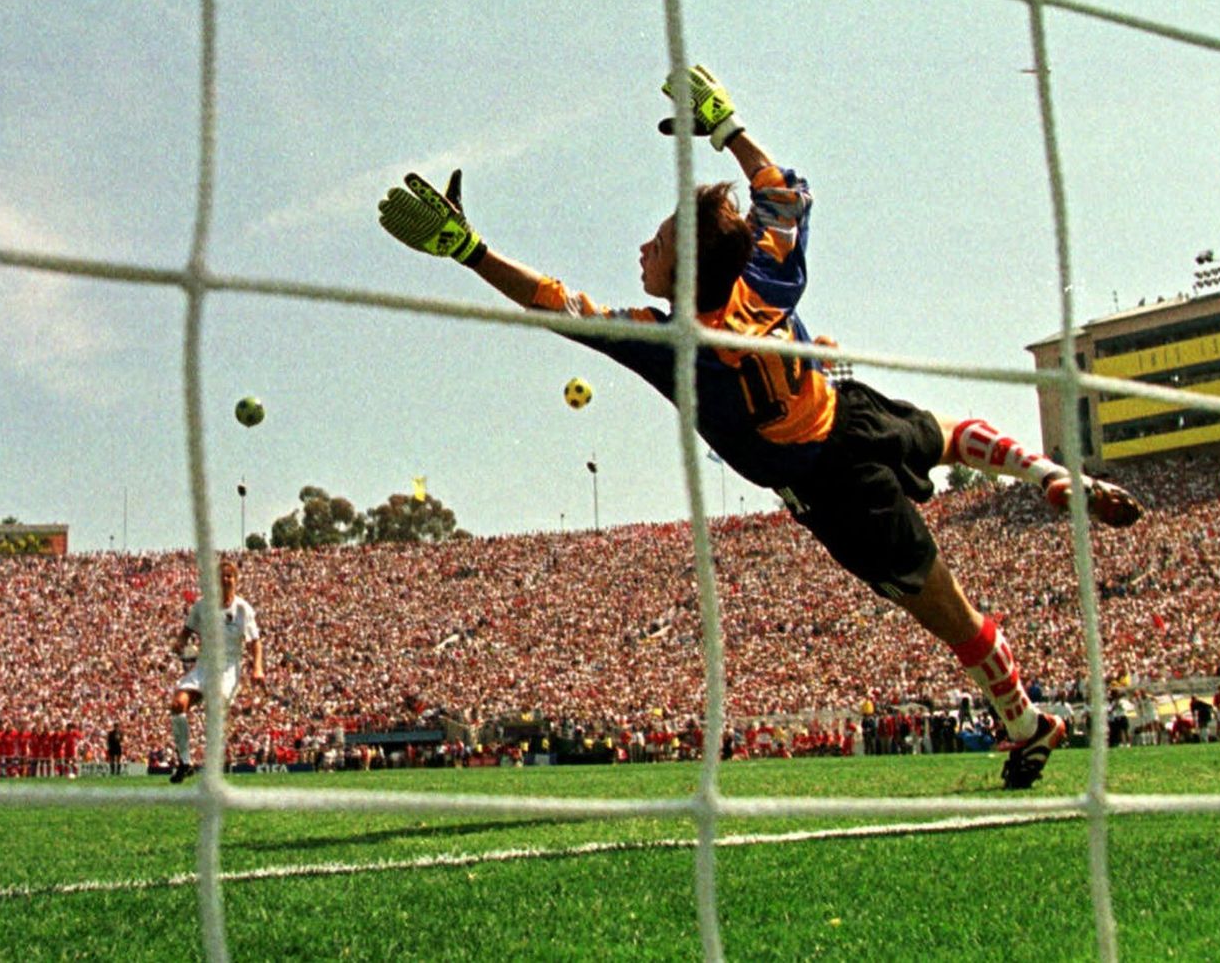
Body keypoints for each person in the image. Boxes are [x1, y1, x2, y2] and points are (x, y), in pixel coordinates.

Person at [377, 64, 1143, 791]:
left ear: (682, 274)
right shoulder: (768, 275)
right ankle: (1046, 474)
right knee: (943, 430)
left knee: (951, 615)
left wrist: (469, 251)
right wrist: (729, 127)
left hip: (827, 485)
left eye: (660, 243)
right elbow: (781, 193)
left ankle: (1027, 720)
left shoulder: (678, 343)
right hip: (850, 413)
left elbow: (556, 304)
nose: (644, 248)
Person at [167, 557, 264, 784]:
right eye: (222, 576)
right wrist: (180, 643)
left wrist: (257, 667)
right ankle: (185, 763)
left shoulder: (242, 609)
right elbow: (186, 630)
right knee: (177, 704)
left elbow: (255, 642)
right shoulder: (202, 606)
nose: (226, 580)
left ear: (236, 581)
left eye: (230, 576)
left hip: (228, 669)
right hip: (204, 666)